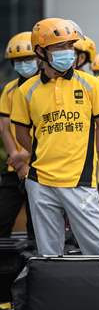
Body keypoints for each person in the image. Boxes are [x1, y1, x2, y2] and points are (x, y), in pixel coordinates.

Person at [10, 18, 99, 255]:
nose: (67, 53)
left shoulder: (90, 84)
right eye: (59, 47)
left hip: (80, 179)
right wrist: (43, 150)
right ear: (40, 51)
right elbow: (21, 133)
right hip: (40, 181)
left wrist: (84, 152)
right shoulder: (26, 91)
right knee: (49, 252)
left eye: (69, 46)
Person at [0, 31, 39, 238]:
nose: (23, 64)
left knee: (37, 225)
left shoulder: (44, 88)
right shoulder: (9, 90)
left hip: (38, 167)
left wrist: (25, 156)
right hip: (13, 168)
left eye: (28, 59)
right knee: (3, 219)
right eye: (18, 61)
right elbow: (4, 127)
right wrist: (15, 158)